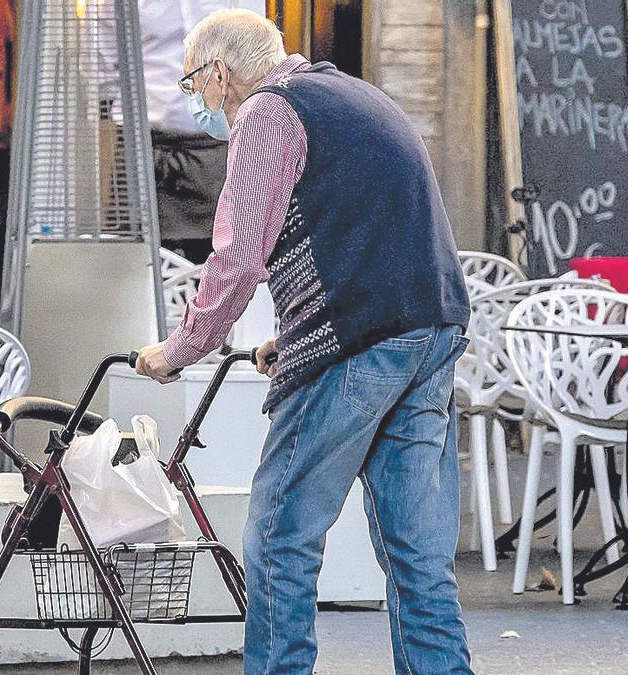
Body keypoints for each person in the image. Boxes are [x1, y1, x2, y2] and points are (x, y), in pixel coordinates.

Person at [134, 10, 473, 674]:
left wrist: (178, 348)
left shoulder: (266, 111)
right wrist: (293, 336)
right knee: (416, 552)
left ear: (219, 73)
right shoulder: (353, 93)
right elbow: (355, 226)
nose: (200, 105)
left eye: (192, 87)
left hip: (360, 341)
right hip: (430, 331)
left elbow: (237, 258)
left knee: (279, 537)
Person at [139, 0, 236, 263]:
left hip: (222, 152)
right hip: (151, 153)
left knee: (225, 264)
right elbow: (103, 69)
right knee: (152, 270)